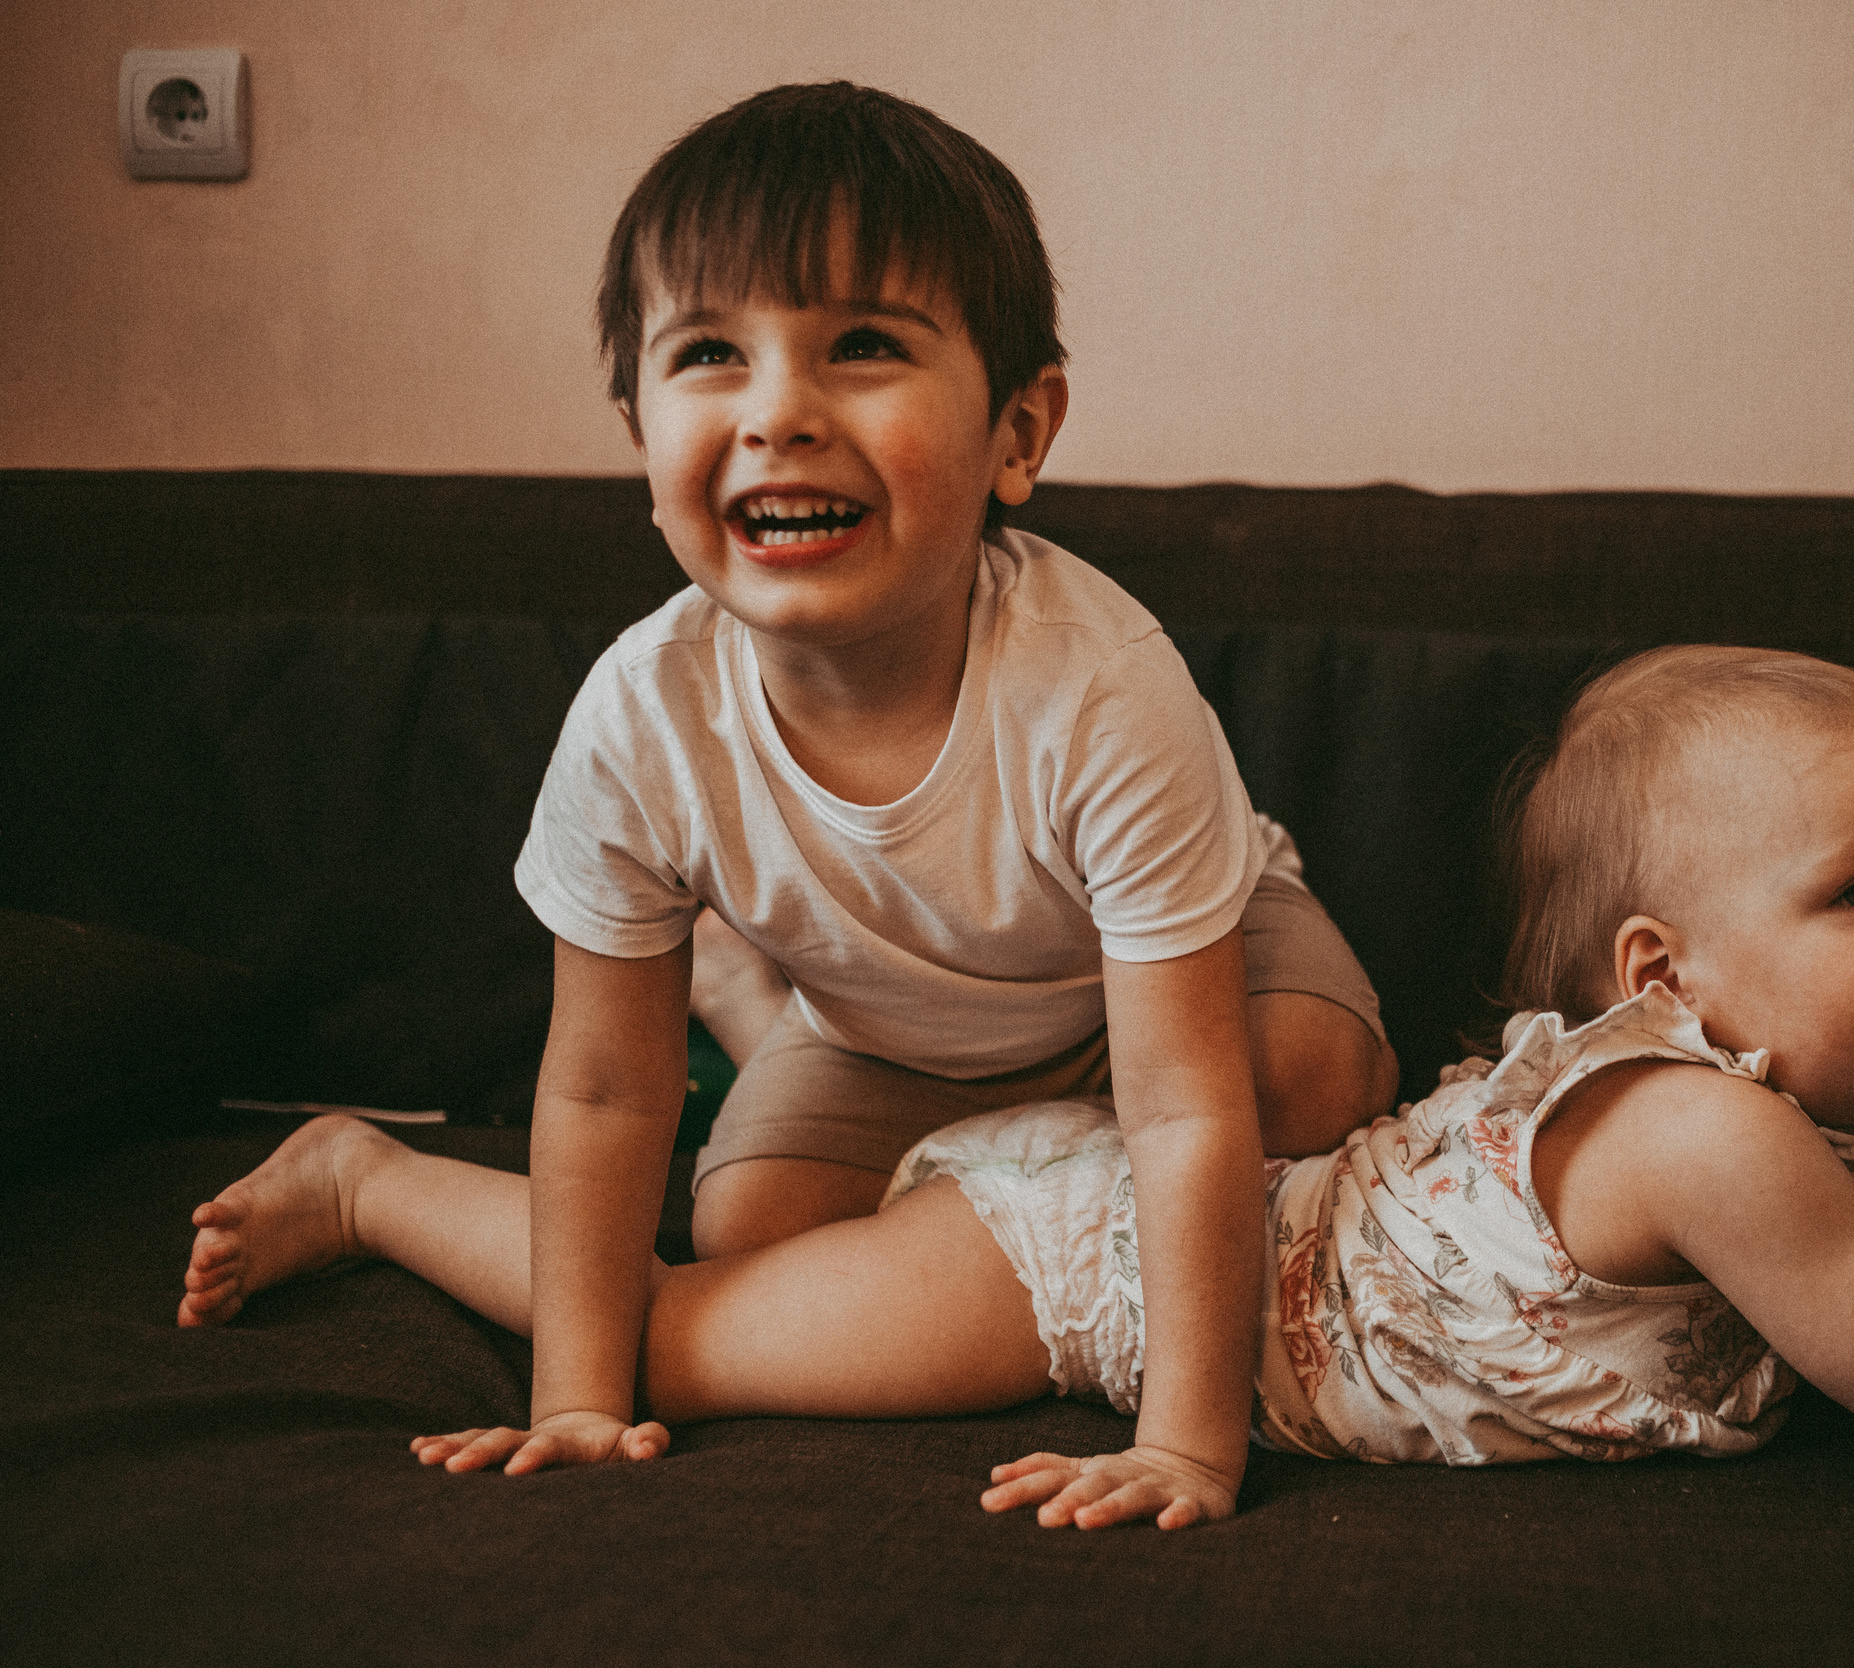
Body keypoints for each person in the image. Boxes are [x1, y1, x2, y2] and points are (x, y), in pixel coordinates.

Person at [182, 645, 1854, 1521]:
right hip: (1094, 1266)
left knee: (768, 1211)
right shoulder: (1708, 1130)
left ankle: (773, 1014)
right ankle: (370, 1178)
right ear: (1663, 977)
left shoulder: (1809, 1111)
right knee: (680, 1329)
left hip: (1180, 1200)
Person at [177, 83, 1397, 1532]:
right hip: (898, 1036)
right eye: (710, 355)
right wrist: (580, 1400)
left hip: (1179, 980)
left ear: (1018, 431)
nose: (778, 415)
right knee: (741, 1223)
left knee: (1304, 1079)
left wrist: (1186, 1447)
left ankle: (772, 1013)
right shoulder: (641, 720)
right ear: (639, 433)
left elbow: (1184, 1104)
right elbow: (603, 1091)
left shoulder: (1100, 689)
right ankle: (369, 1181)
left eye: (862, 346)